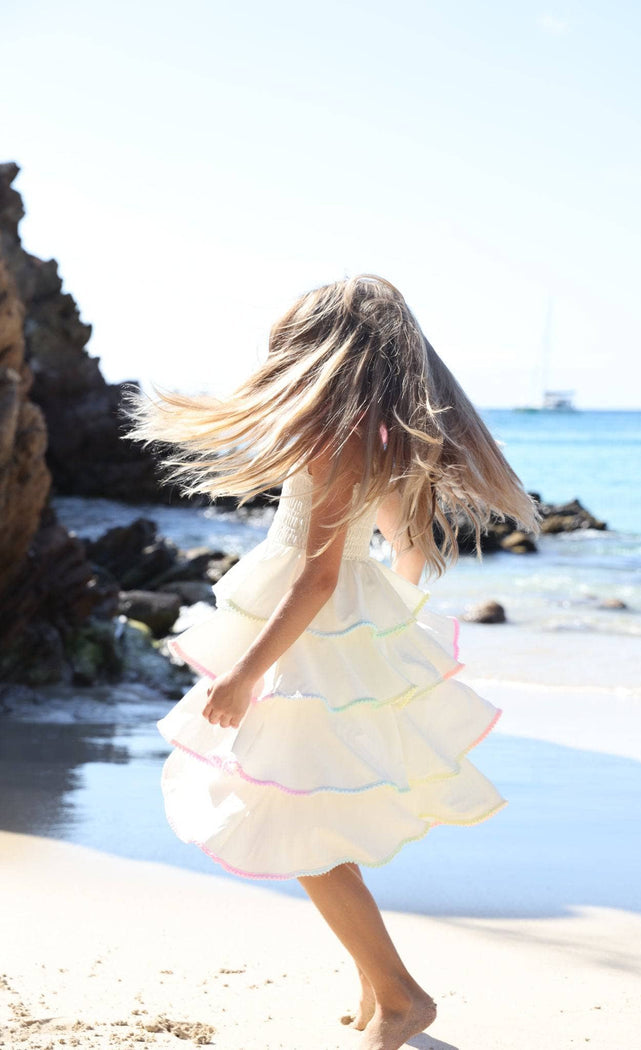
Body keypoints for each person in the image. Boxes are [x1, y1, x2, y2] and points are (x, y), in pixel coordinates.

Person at [123, 274, 541, 1050]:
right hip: (337, 631)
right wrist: (385, 634)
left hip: (302, 634)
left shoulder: (330, 435)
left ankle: (402, 997)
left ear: (321, 350)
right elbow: (407, 547)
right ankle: (374, 981)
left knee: (294, 820)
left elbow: (317, 577)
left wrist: (245, 675)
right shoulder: (380, 433)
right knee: (313, 807)